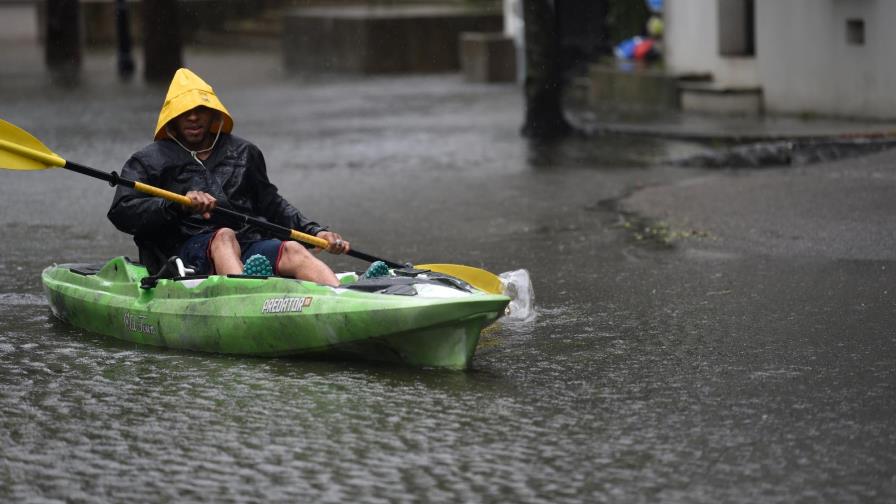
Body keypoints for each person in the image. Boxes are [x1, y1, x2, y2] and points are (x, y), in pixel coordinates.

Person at [108, 68, 349, 286]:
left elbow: (271, 204)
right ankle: (248, 299)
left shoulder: (244, 152)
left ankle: (344, 300)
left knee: (293, 248)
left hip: (247, 244)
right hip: (184, 253)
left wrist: (315, 232)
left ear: (214, 115)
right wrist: (177, 205)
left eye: (200, 110)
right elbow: (122, 211)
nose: (193, 117)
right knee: (224, 236)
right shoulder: (147, 160)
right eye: (185, 111)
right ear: (172, 117)